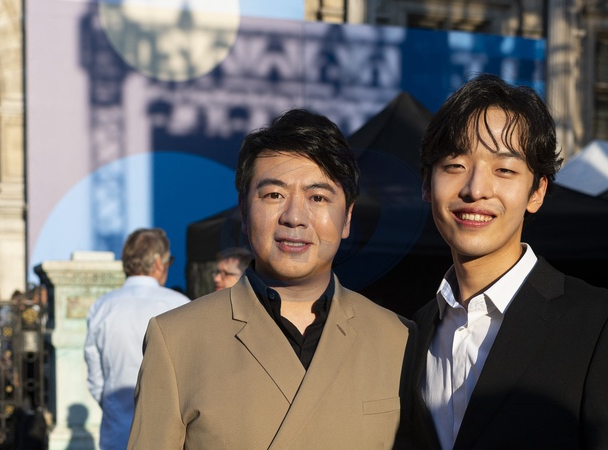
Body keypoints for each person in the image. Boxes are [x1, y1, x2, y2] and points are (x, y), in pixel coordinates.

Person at [128, 109, 411, 449]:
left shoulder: (399, 339)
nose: (294, 217)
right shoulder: (176, 340)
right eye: (274, 195)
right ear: (243, 211)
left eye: (318, 197)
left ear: (347, 218)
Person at [404, 74, 608, 449]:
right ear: (427, 183)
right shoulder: (415, 330)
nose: (475, 189)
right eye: (455, 165)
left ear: (537, 192)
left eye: (504, 170)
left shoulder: (599, 325)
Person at [84, 228, 189, 450]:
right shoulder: (180, 305)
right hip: (168, 437)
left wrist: (113, 406)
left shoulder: (102, 307)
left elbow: (95, 378)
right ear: (159, 263)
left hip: (116, 432)